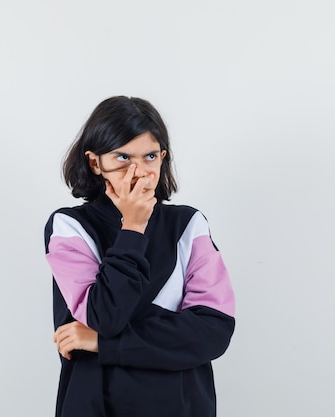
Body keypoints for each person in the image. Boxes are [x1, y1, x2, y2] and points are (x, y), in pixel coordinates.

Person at [44, 96, 235, 417]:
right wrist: (133, 228)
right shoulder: (69, 226)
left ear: (163, 158)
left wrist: (104, 344)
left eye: (149, 156)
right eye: (121, 157)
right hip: (97, 404)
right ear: (95, 163)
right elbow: (105, 316)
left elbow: (212, 333)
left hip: (182, 404)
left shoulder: (189, 224)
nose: (138, 171)